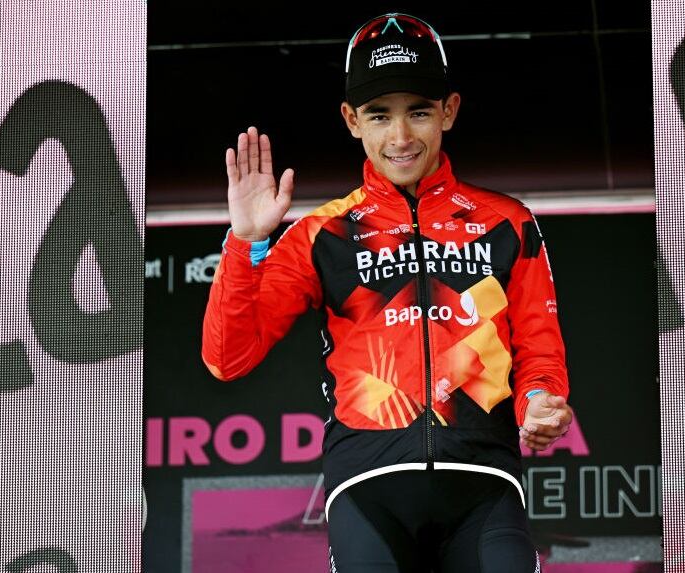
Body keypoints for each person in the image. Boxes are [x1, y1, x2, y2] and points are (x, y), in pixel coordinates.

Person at [202, 12, 572, 573]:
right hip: (368, 488)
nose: (400, 137)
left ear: (448, 110)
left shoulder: (507, 221)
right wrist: (245, 243)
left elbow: (538, 348)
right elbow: (227, 359)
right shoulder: (322, 233)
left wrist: (539, 399)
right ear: (352, 120)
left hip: (485, 483)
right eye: (380, 115)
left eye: (418, 112)